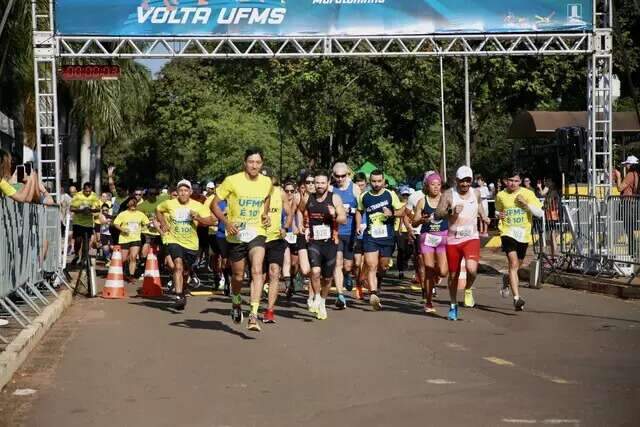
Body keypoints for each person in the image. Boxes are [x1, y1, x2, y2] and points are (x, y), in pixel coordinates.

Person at [211, 148, 272, 332]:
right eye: (251, 162)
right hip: (236, 234)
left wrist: (265, 214)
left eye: (258, 162)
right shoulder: (232, 180)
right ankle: (236, 300)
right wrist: (227, 222)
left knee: (257, 269)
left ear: (262, 164)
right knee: (237, 276)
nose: (254, 166)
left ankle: (253, 315)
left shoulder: (266, 181)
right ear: (244, 162)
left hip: (257, 231)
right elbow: (213, 204)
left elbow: (267, 198)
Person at [436, 166, 490, 321]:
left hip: (471, 238)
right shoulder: (448, 194)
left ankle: (467, 289)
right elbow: (438, 214)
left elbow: (478, 205)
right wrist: (451, 212)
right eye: (462, 181)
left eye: (468, 181)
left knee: (472, 270)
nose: (465, 184)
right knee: (453, 275)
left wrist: (484, 217)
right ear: (456, 181)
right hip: (453, 240)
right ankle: (453, 305)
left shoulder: (476, 192)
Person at [157, 179, 215, 310]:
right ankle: (178, 296)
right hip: (174, 240)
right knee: (177, 265)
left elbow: (211, 220)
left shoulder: (198, 206)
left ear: (190, 192)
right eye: (181, 191)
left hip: (191, 244)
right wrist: (164, 223)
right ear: (177, 192)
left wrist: (198, 218)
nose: (183, 193)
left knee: (185, 271)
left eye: (186, 191)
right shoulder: (169, 203)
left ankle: (182, 291)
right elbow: (158, 210)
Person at [298, 170, 347, 320]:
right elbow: (300, 210)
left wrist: (334, 215)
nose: (318, 186)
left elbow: (343, 219)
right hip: (314, 242)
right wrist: (301, 225)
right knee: (315, 271)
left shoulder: (335, 198)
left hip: (331, 243)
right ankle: (317, 296)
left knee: (327, 278)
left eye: (322, 183)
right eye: (316, 183)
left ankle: (323, 301)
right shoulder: (308, 197)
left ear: (328, 183)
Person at [355, 170, 404, 310]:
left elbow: (402, 211)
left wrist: (392, 213)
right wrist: (358, 225)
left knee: (383, 266)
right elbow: (359, 211)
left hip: (387, 236)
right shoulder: (364, 196)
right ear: (370, 182)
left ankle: (379, 279)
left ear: (383, 181)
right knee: (371, 265)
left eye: (379, 181)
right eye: (374, 181)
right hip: (371, 236)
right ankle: (373, 294)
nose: (376, 184)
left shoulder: (390, 194)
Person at [495, 170, 543, 311]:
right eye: (510, 180)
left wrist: (526, 205)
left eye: (516, 181)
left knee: (517, 266)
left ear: (520, 182)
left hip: (523, 233)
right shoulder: (501, 195)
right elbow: (497, 210)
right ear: (505, 181)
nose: (513, 183)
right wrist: (499, 214)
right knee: (513, 263)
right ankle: (517, 298)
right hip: (507, 232)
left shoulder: (528, 194)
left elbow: (540, 213)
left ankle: (506, 279)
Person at [413, 172, 448, 314]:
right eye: (433, 184)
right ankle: (428, 301)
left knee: (443, 271)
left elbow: (453, 216)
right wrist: (422, 220)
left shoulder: (445, 200)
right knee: (428, 267)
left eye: (438, 185)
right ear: (427, 186)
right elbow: (414, 222)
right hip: (427, 238)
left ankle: (435, 276)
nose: (436, 187)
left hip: (442, 238)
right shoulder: (422, 201)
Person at [261, 168, 293, 323]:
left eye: (269, 178)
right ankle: (254, 306)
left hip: (275, 238)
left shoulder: (280, 192)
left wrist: (285, 227)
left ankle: (270, 310)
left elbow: (289, 213)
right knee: (259, 276)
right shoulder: (253, 193)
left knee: (274, 272)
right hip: (258, 238)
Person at [331, 162, 361, 309]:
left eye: (343, 176)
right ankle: (340, 295)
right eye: (337, 176)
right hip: (336, 232)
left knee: (348, 265)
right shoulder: (330, 189)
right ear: (333, 175)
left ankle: (348, 275)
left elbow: (361, 209)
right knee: (337, 263)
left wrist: (352, 211)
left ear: (348, 175)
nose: (340, 179)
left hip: (350, 232)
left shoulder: (354, 188)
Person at [113, 196, 149, 282]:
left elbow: (147, 223)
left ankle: (131, 275)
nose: (133, 205)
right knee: (123, 259)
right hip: (124, 239)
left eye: (134, 203)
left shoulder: (140, 214)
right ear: (128, 204)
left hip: (136, 239)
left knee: (133, 257)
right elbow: (116, 224)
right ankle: (121, 273)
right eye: (131, 203)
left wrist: (143, 228)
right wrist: (123, 229)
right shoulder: (123, 214)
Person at [613, 155, 640, 257]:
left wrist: (618, 177)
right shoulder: (637, 174)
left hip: (627, 204)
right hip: (633, 203)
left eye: (627, 164)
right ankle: (633, 252)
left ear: (631, 165)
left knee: (629, 229)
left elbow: (620, 188)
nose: (626, 166)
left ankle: (633, 252)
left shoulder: (630, 175)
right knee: (630, 229)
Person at [70, 182, 101, 265]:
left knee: (86, 242)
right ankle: (76, 254)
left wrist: (90, 210)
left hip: (88, 223)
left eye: (89, 191)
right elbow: (72, 208)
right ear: (83, 189)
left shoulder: (94, 196)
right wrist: (81, 211)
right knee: (78, 240)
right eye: (86, 191)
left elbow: (98, 209)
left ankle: (83, 259)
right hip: (78, 222)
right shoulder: (78, 195)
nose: (88, 193)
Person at [352, 172, 368, 299]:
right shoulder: (352, 197)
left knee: (366, 262)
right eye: (358, 185)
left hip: (369, 234)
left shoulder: (369, 196)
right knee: (357, 263)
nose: (360, 187)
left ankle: (362, 283)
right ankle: (358, 284)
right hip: (355, 233)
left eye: (362, 185)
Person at [395, 186, 413, 280]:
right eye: (404, 195)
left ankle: (405, 261)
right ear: (400, 195)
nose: (405, 196)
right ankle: (400, 270)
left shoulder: (412, 203)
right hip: (399, 230)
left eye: (407, 195)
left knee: (409, 250)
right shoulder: (397, 204)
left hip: (410, 229)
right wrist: (403, 207)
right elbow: (397, 213)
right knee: (401, 250)